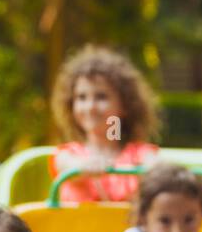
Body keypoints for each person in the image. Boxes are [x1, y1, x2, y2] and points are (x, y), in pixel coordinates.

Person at [49, 46, 160, 203]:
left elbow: (157, 168)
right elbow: (67, 166)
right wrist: (83, 167)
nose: (90, 107)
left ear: (125, 106)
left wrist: (152, 172)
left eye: (101, 97)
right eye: (81, 97)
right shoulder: (68, 155)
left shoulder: (140, 154)